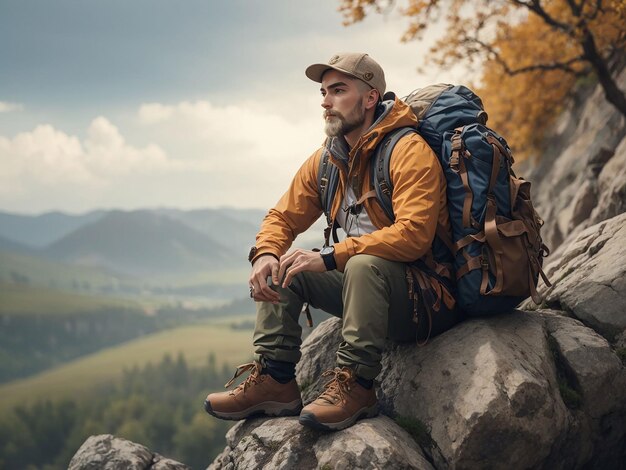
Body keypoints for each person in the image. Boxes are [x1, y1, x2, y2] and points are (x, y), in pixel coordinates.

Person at [204, 52, 456, 431]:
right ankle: (276, 380)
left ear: (370, 98)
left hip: (425, 298)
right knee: (285, 265)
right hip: (367, 289)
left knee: (361, 263)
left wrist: (330, 255)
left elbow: (414, 236)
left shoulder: (407, 151)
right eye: (323, 92)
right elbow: (282, 217)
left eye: (338, 90)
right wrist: (266, 254)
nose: (325, 101)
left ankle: (356, 384)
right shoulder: (327, 160)